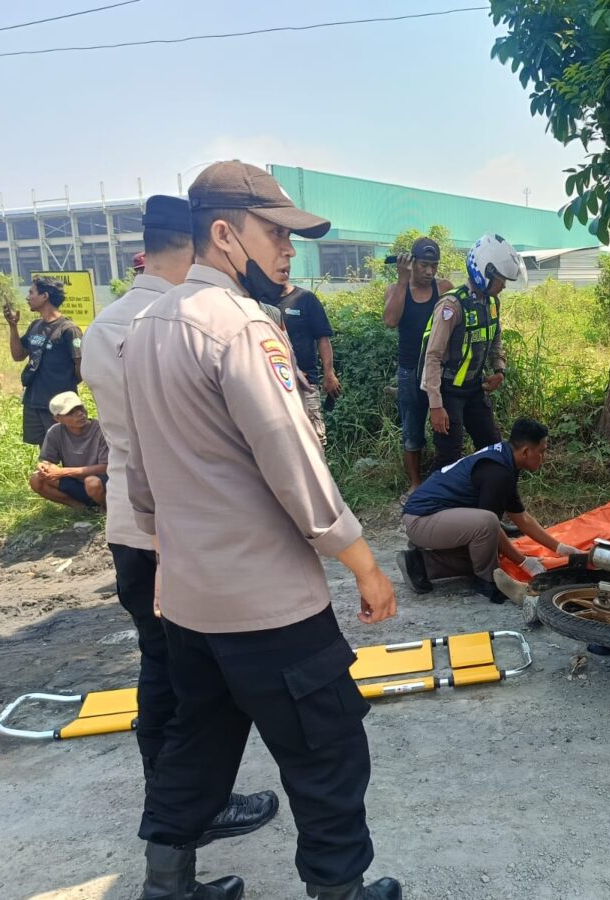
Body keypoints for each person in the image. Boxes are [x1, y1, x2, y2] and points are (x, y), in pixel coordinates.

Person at [121, 161, 401, 900]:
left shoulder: (147, 327)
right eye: (274, 234)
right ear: (223, 233)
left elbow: (142, 475)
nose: (287, 250)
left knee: (198, 742)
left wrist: (165, 562)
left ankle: (167, 884)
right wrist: (362, 562)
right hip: (267, 605)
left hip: (190, 603)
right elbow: (293, 462)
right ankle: (339, 892)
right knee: (327, 748)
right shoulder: (242, 327)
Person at [81, 195, 278, 856]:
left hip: (130, 531)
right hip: (185, 533)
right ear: (194, 248)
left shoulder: (103, 325)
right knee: (198, 686)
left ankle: (173, 807)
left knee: (164, 672)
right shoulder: (179, 321)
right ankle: (183, 815)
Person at [398, 418, 580, 604]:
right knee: (489, 527)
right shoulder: (498, 472)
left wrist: (560, 548)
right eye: (542, 452)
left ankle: (420, 564)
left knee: (487, 550)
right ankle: (486, 580)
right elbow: (489, 524)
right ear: (526, 451)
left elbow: (522, 518)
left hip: (435, 517)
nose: (544, 457)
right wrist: (524, 561)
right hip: (422, 518)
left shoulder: (505, 459)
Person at [420, 233, 521, 472]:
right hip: (448, 391)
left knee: (493, 446)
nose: (504, 286)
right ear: (484, 273)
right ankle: (432, 505)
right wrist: (435, 405)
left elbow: (495, 338)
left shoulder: (492, 303)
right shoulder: (452, 306)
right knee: (449, 455)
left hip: (475, 388)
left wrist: (499, 370)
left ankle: (488, 496)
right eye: (500, 279)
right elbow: (432, 356)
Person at [382, 237, 453, 492]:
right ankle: (415, 483)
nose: (429, 271)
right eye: (423, 265)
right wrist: (403, 280)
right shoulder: (396, 289)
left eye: (433, 265)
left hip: (439, 369)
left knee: (444, 426)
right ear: (412, 263)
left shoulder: (443, 288)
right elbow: (390, 321)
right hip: (409, 369)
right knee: (412, 430)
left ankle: (441, 479)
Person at [5, 276, 83, 446]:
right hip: (34, 401)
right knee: (45, 450)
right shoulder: (35, 326)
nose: (28, 297)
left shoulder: (69, 330)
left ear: (45, 296)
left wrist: (66, 388)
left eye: (31, 292)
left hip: (60, 406)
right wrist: (13, 326)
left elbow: (81, 366)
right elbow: (18, 355)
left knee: (66, 448)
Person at [278, 279, 340, 446]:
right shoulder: (259, 301)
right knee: (282, 442)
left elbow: (323, 338)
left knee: (316, 440)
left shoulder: (305, 299)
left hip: (307, 383)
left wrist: (329, 374)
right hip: (274, 386)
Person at [29, 391, 109, 511]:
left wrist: (63, 472)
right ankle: (80, 507)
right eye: (71, 412)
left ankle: (106, 508)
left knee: (91, 482)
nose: (80, 414)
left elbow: (105, 467)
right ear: (58, 418)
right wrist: (43, 466)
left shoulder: (101, 430)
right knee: (36, 479)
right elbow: (46, 460)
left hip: (101, 483)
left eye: (80, 408)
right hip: (75, 482)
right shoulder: (55, 432)